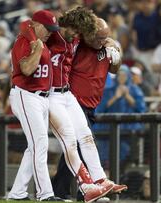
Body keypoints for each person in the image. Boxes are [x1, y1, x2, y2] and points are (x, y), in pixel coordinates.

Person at [46, 7, 118, 202]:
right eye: (97, 37)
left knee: (75, 146)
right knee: (81, 143)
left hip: (90, 102)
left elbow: (115, 68)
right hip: (71, 99)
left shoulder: (106, 46)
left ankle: (69, 190)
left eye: (104, 38)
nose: (100, 42)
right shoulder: (76, 43)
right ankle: (85, 189)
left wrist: (115, 47)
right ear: (87, 33)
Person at [7, 9, 62, 201]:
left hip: (41, 98)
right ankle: (45, 194)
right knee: (40, 144)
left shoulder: (39, 40)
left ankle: (17, 193)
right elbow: (27, 69)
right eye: (46, 28)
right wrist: (37, 49)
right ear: (36, 25)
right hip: (26, 95)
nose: (50, 32)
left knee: (34, 147)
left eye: (52, 28)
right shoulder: (25, 41)